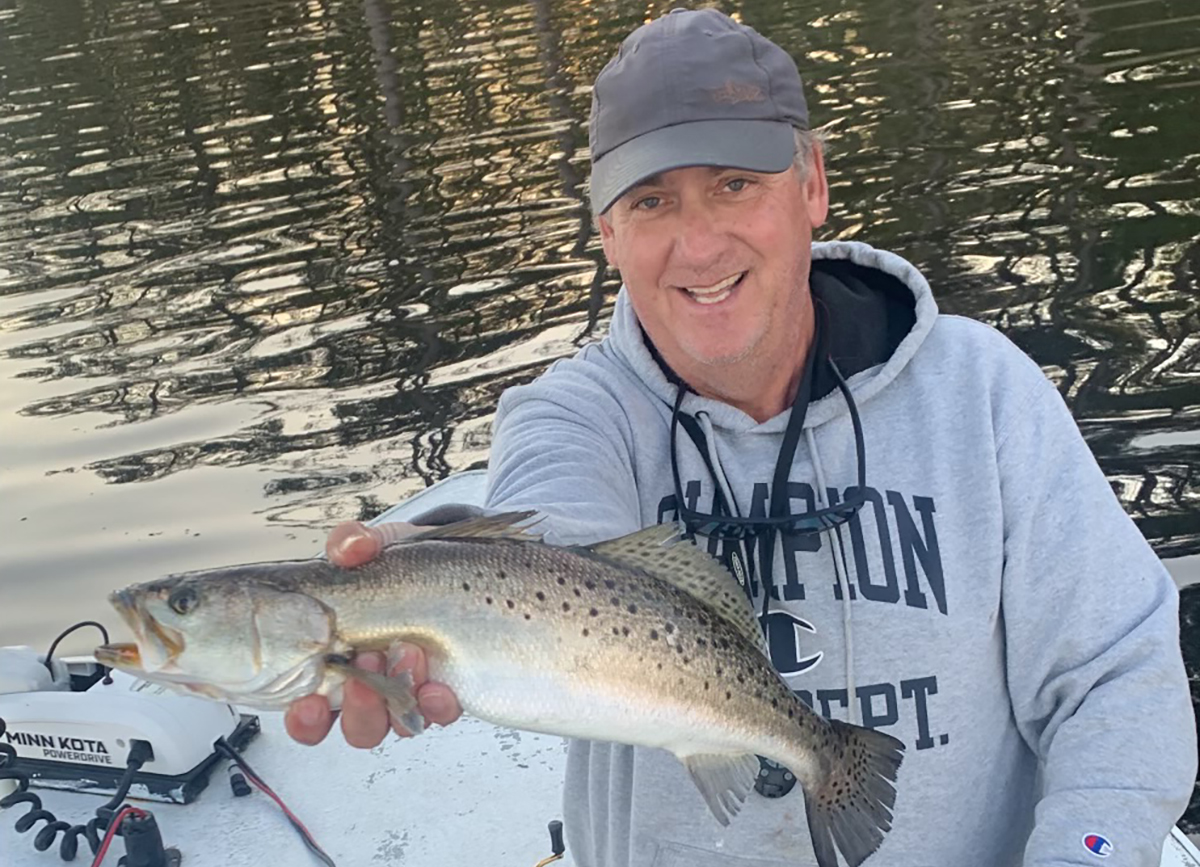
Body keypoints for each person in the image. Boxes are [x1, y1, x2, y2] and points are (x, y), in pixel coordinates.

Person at [285, 8, 1196, 866]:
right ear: (607, 233)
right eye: (652, 201)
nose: (700, 245)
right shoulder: (570, 415)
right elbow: (550, 536)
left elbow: (1117, 671)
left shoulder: (983, 392)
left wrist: (1089, 852)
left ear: (813, 185)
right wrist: (430, 570)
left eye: (734, 184)